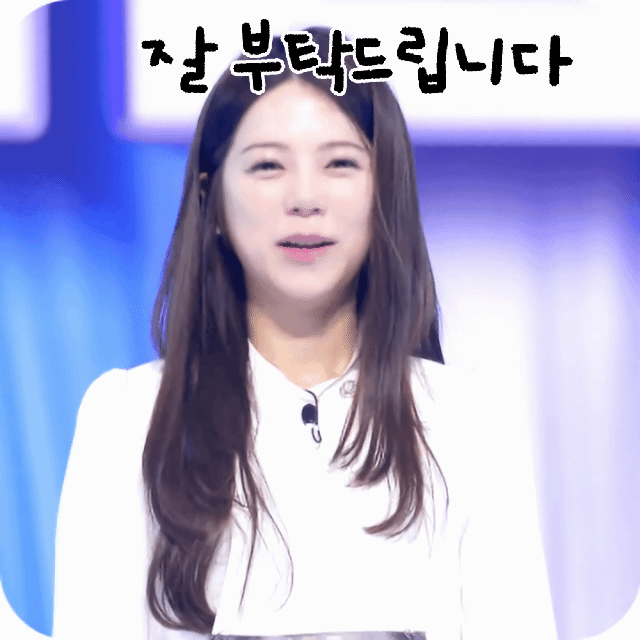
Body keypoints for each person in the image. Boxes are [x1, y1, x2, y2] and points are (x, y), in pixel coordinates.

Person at [53, 26, 558, 640]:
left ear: (385, 190)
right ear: (212, 198)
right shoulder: (130, 417)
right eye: (268, 165)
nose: (304, 198)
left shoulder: (467, 418)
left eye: (340, 163)